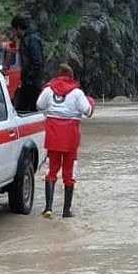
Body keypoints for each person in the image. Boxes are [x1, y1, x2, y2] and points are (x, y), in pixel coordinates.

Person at [36, 63, 95, 218]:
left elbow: (39, 105)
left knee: (51, 171)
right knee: (69, 173)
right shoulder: (77, 93)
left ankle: (48, 208)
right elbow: (88, 111)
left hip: (53, 137)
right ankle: (66, 211)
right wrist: (91, 102)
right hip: (71, 138)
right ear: (71, 76)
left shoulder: (48, 90)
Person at [11, 14, 44, 111]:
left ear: (17, 28)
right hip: (28, 82)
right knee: (23, 109)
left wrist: (29, 77)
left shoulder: (31, 40)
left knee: (26, 110)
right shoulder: (26, 40)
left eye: (14, 30)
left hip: (32, 83)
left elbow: (37, 62)